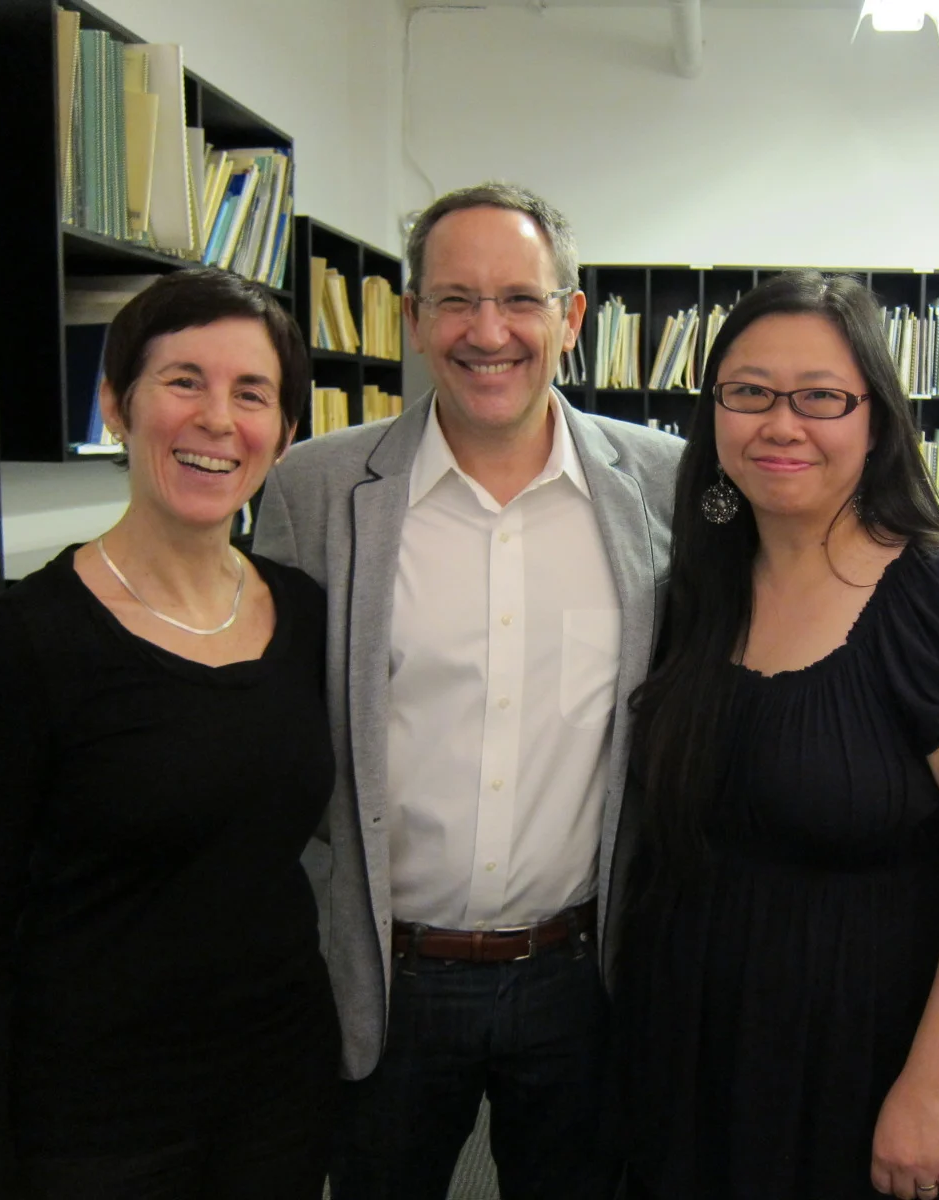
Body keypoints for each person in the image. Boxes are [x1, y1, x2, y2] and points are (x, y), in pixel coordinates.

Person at [252, 182, 684, 1200]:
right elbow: (272, 737)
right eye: (453, 299)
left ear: (570, 318)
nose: (487, 332)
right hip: (386, 979)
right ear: (410, 319)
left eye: (519, 300)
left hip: (580, 973)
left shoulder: (666, 486)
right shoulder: (314, 491)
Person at [617, 270, 939, 1200]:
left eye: (820, 397)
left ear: (876, 417)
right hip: (686, 1043)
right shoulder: (698, 592)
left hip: (855, 1060)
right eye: (748, 393)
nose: (781, 425)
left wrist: (933, 1091)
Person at [0, 268, 338, 1197]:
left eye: (252, 393)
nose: (217, 420)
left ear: (283, 430)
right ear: (116, 404)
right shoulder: (26, 641)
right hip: (95, 1124)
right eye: (183, 380)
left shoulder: (307, 613)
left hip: (280, 1093)